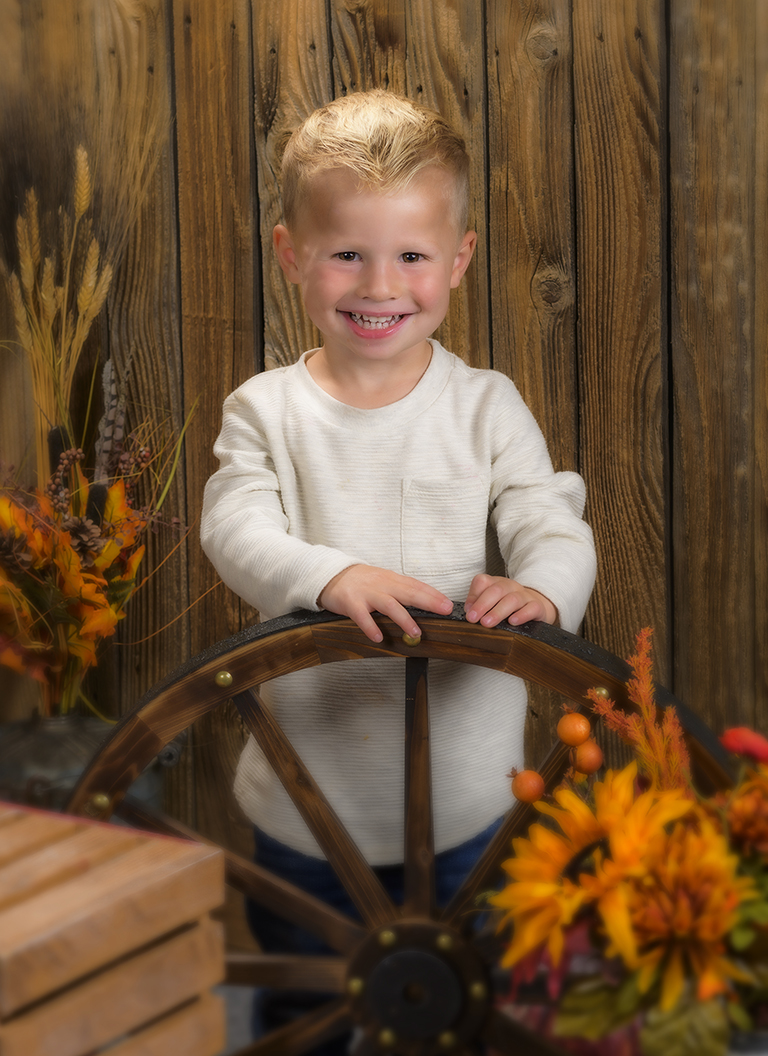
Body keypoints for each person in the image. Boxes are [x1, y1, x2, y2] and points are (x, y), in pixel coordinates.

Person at [200, 89, 596, 1051]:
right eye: (347, 253)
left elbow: (547, 515)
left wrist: (542, 588)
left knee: (479, 1009)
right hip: (308, 810)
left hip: (474, 804)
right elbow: (234, 525)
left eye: (412, 256)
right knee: (308, 1011)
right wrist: (333, 576)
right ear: (291, 253)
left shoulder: (487, 406)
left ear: (458, 260)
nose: (380, 285)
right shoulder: (266, 411)